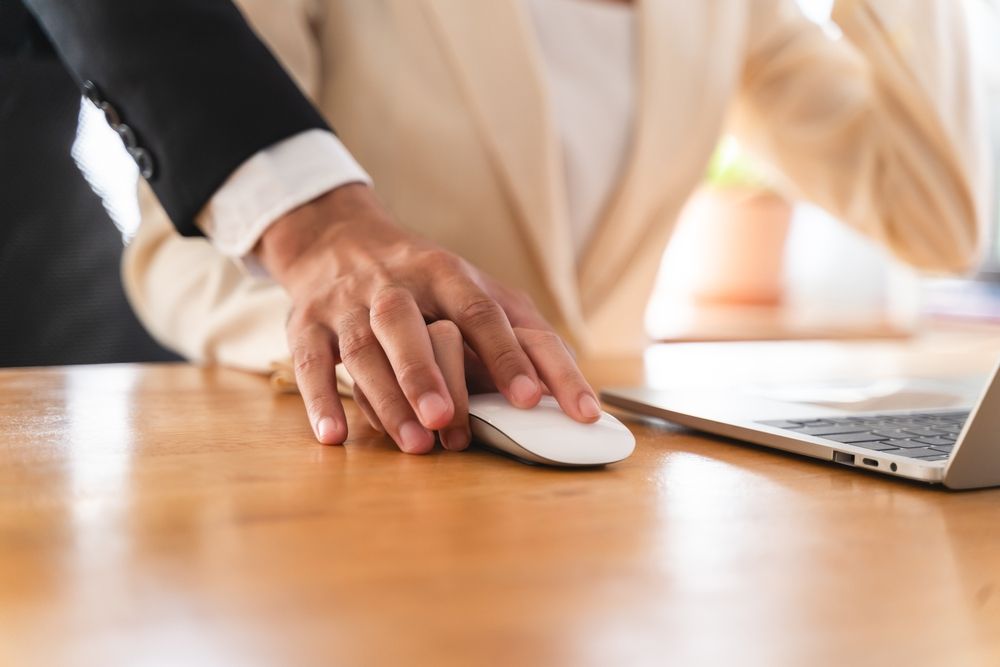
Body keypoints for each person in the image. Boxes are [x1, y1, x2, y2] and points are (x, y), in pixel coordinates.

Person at [37, 0, 993, 455]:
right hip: (376, 473)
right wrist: (373, 346)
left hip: (602, 488)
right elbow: (181, 256)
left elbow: (936, 220)